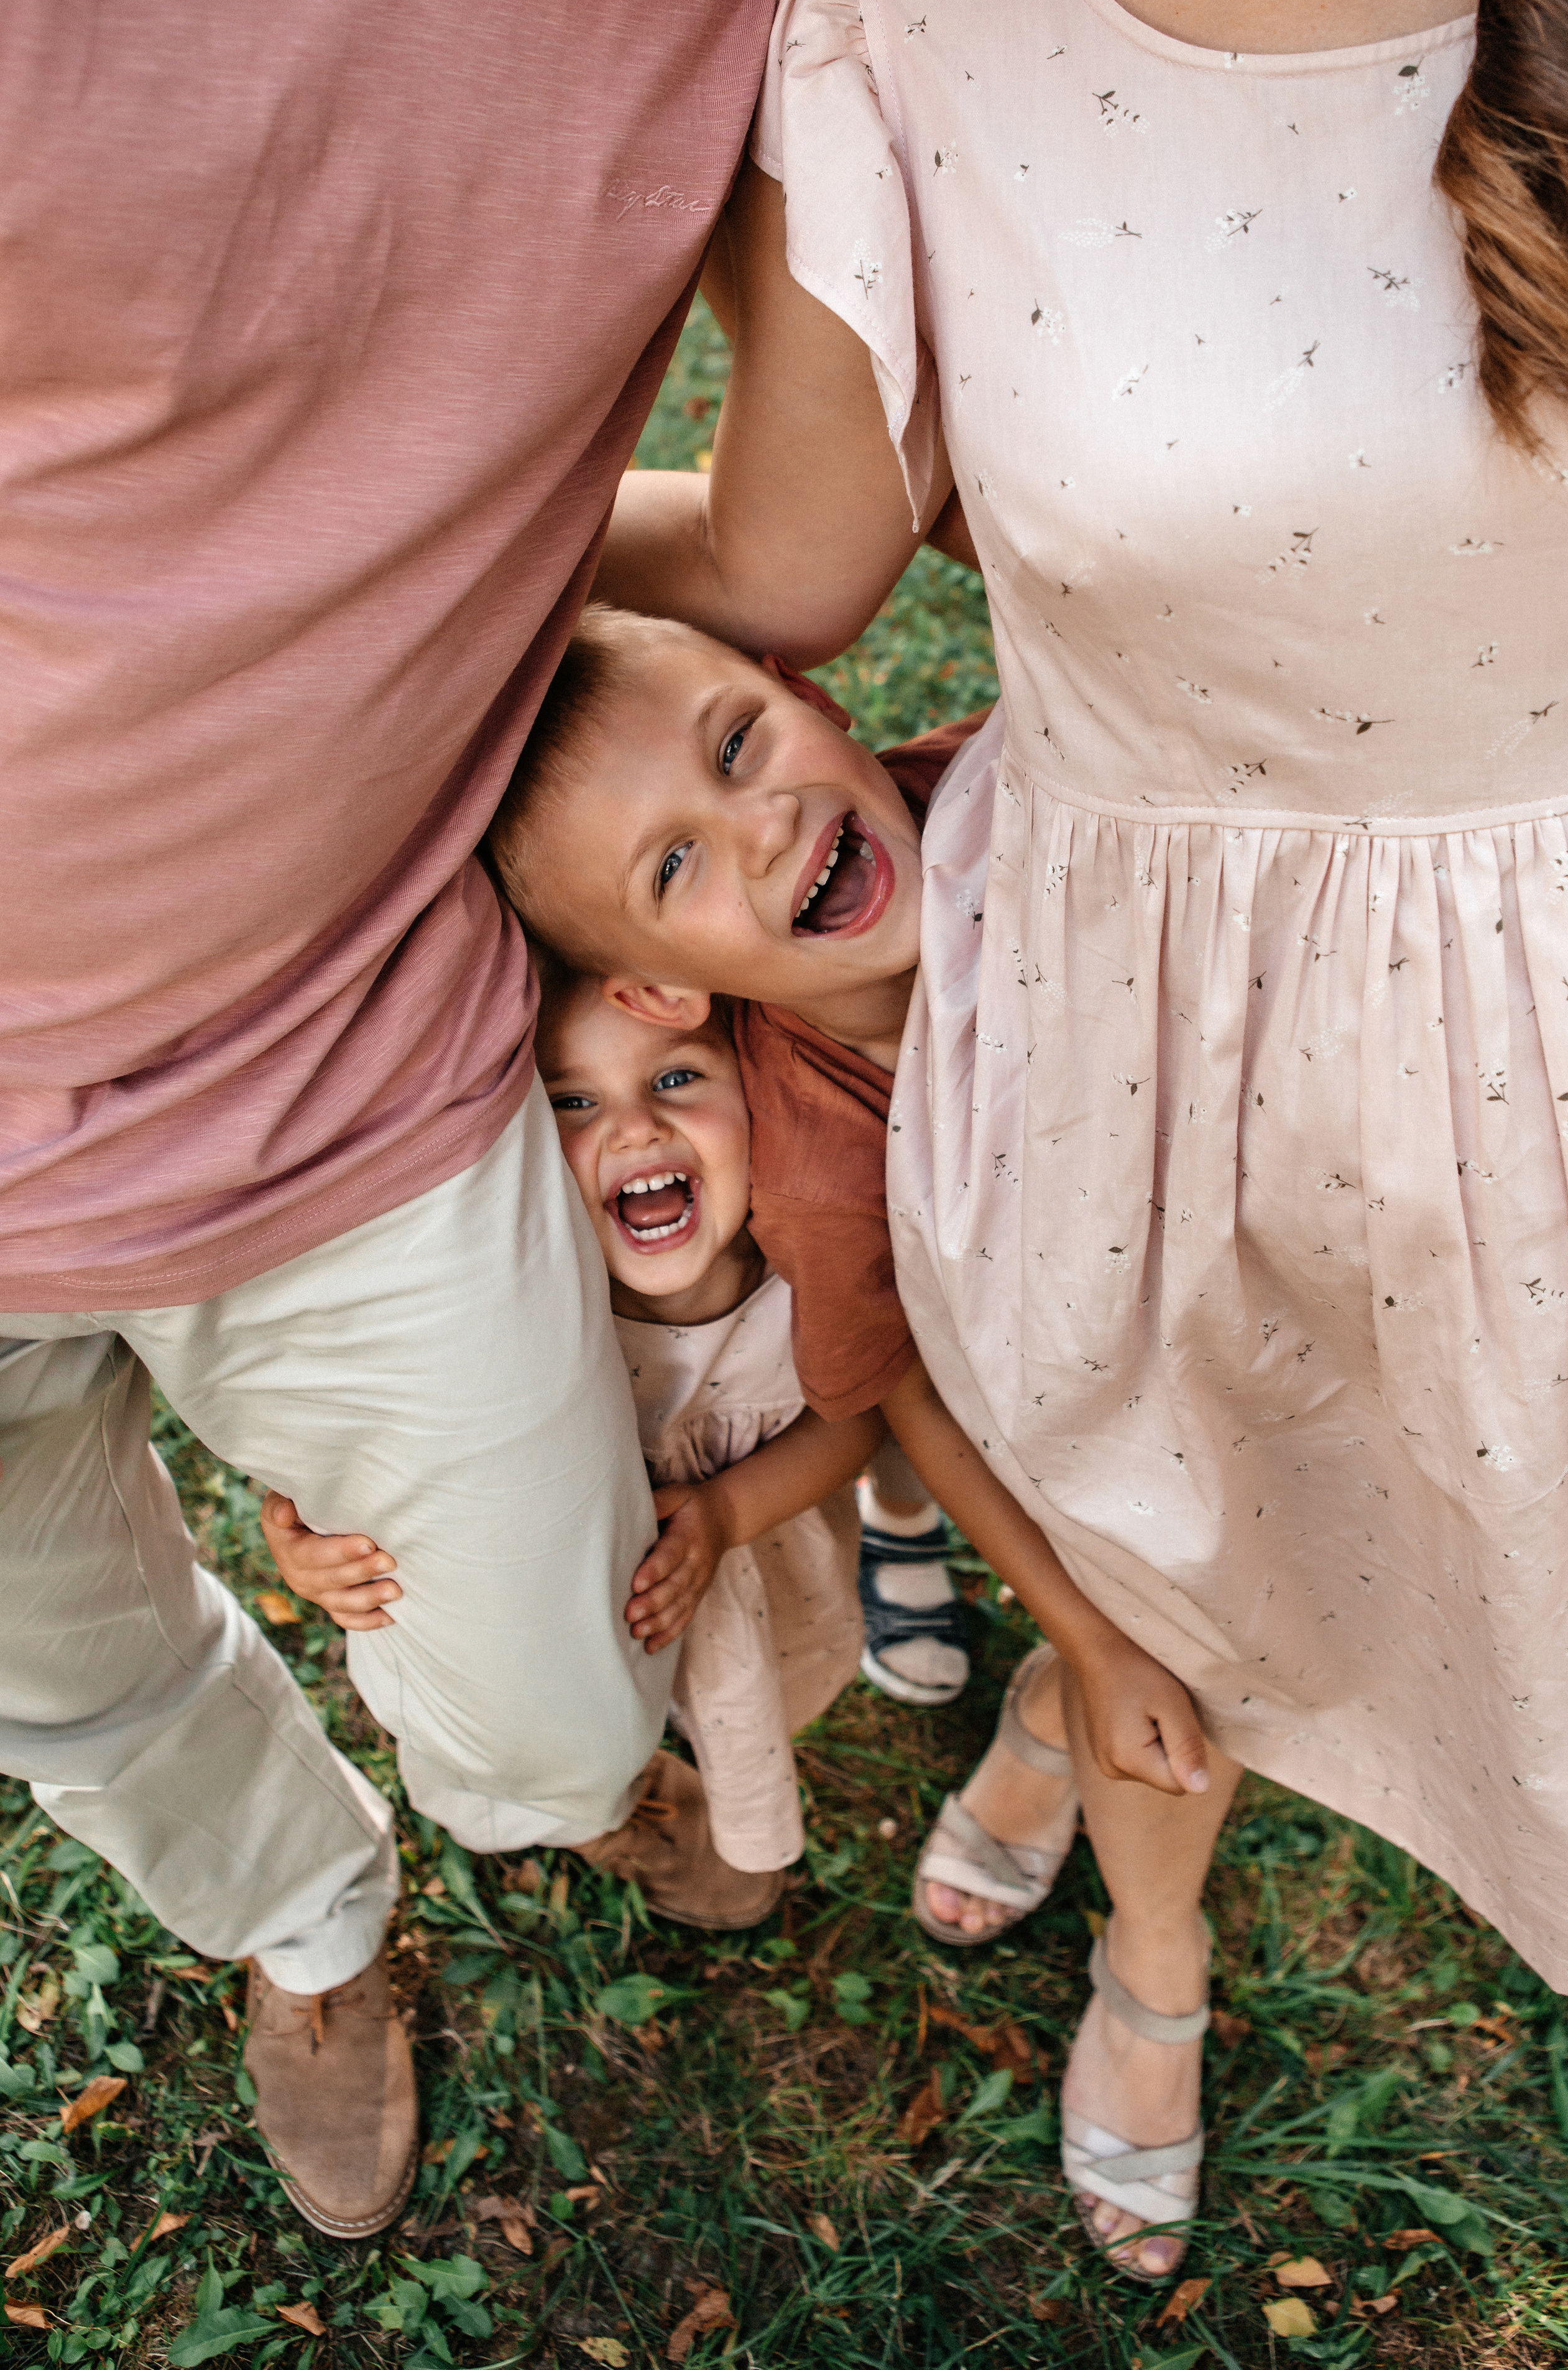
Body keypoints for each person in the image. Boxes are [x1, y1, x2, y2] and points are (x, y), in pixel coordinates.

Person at [595, 0, 1568, 2280]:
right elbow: (793, 565)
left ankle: (1051, 1703)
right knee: (1147, 1529)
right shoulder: (899, 17)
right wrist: (361, 589)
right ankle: (1157, 1947)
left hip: (1541, 1055)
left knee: (1412, 1536)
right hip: (1148, 1039)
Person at [0, 0, 777, 2241]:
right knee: (75, 1681)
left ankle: (541, 1785)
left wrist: (426, 557)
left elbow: (800, 550)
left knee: (560, 1712)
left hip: (340, 1066)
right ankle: (312, 1932)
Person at [267, 618, 1209, 1909]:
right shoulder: (807, 1189)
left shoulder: (1036, 798)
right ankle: (896, 1554)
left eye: (736, 744)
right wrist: (313, 1539)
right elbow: (886, 1397)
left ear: (797, 688)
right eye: (674, 862)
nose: (759, 825)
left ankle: (903, 1534)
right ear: (656, 984)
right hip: (943, 1364)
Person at [268, 973, 881, 1922]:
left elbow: (856, 1418)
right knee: (553, 1723)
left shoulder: (800, 1272)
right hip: (550, 1605)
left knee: (735, 1696)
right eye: (573, 1102)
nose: (635, 1128)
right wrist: (309, 1546)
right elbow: (382, 1437)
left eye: (677, 1078)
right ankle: (582, 1812)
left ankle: (708, 1784)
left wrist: (726, 1513)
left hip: (748, 1572)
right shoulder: (509, 1312)